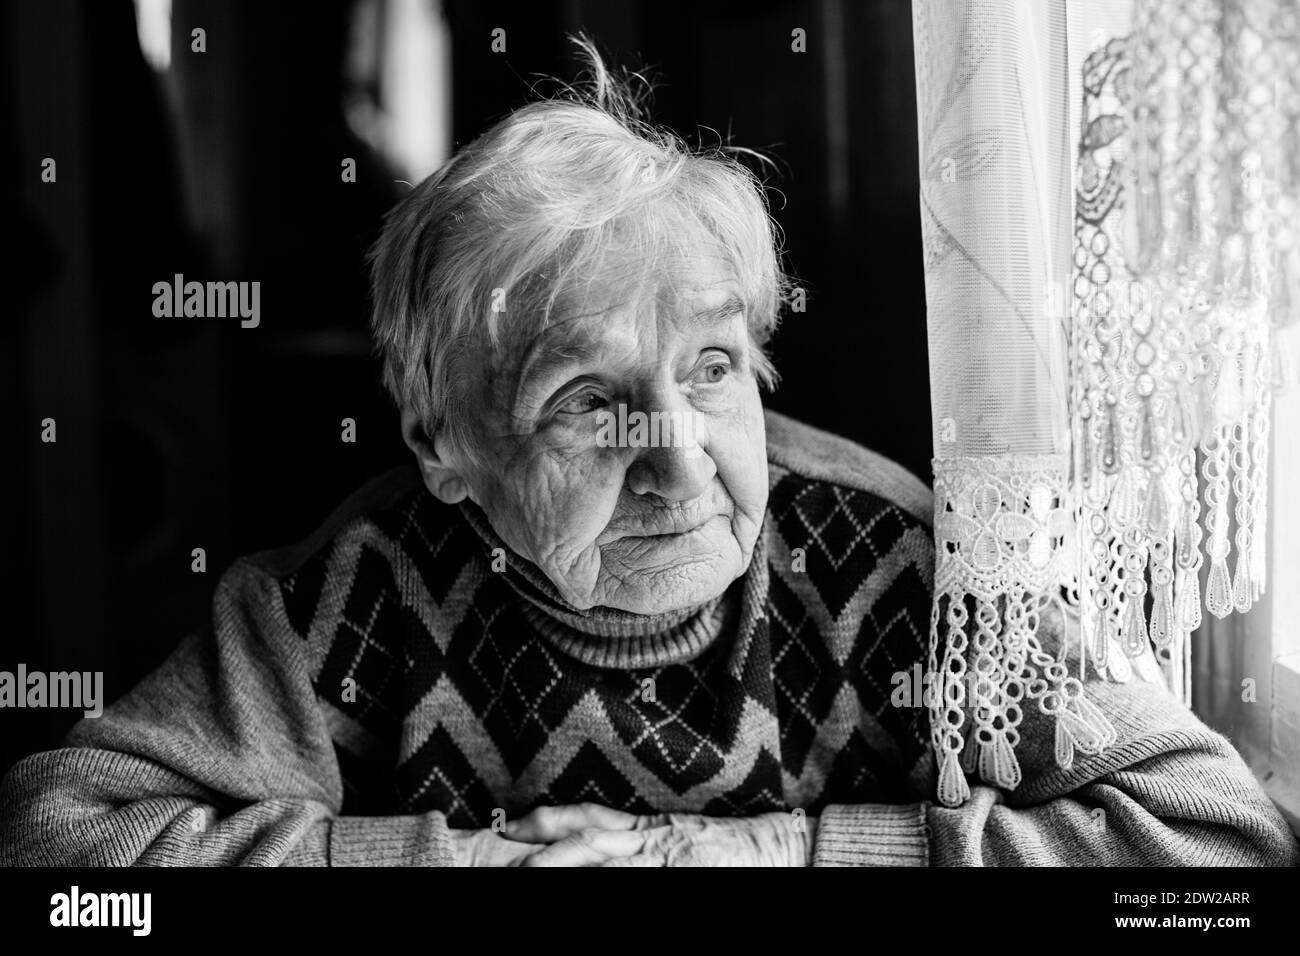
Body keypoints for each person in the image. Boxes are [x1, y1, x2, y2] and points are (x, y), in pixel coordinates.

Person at [2, 41, 1295, 867]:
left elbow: (1224, 842)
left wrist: (785, 855)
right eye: (587, 400)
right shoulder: (347, 597)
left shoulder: (909, 567)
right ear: (447, 445)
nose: (679, 464)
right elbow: (60, 854)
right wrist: (459, 866)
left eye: (712, 371)